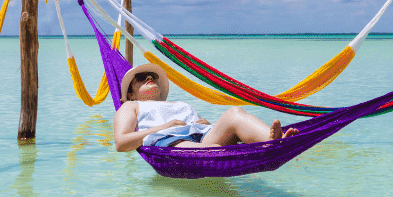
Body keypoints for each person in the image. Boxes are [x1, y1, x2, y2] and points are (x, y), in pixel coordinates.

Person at [113, 64, 298, 153]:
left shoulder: (179, 104)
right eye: (141, 78)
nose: (148, 78)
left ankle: (272, 142)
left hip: (203, 136)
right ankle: (221, 155)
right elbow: (121, 142)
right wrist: (164, 127)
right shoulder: (131, 106)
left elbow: (205, 129)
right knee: (212, 151)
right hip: (169, 143)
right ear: (131, 95)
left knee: (234, 113)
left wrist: (204, 123)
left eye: (151, 75)